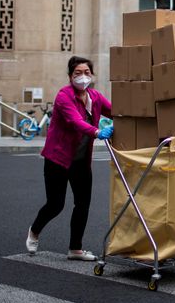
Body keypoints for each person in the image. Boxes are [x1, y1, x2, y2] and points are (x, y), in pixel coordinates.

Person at [26, 56, 114, 260]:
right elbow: (75, 121)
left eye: (87, 73)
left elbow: (116, 111)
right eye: (78, 73)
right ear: (70, 76)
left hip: (81, 161)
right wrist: (97, 132)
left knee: (83, 204)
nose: (83, 77)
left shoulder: (95, 96)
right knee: (56, 204)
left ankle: (75, 249)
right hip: (58, 159)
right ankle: (34, 231)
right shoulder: (64, 96)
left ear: (91, 75)